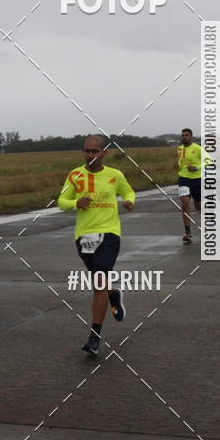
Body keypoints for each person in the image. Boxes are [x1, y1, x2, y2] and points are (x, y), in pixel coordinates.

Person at [57, 135, 135, 355]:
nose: (90, 155)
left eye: (95, 151)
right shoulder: (75, 175)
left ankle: (95, 336)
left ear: (104, 153)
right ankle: (113, 294)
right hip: (84, 236)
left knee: (98, 281)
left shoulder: (115, 175)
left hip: (110, 234)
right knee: (99, 283)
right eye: (87, 151)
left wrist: (130, 201)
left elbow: (128, 191)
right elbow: (61, 202)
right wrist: (75, 202)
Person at [176, 128, 204, 243]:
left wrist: (196, 168)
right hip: (183, 179)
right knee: (185, 203)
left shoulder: (198, 148)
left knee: (197, 205)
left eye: (187, 135)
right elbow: (181, 162)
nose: (184, 137)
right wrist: (178, 165)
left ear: (191, 137)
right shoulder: (179, 149)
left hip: (197, 179)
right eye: (183, 135)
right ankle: (187, 232)